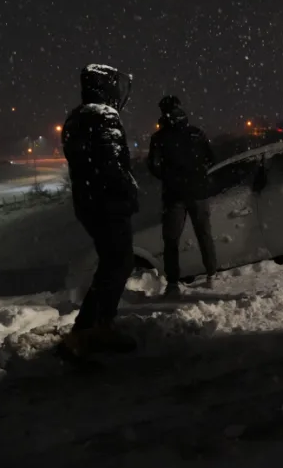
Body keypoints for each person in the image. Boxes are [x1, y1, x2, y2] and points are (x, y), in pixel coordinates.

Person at [59, 64, 140, 359]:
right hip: (108, 204)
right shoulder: (104, 117)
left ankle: (91, 327)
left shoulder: (77, 117)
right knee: (119, 263)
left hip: (90, 203)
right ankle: (92, 330)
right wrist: (128, 191)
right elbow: (112, 164)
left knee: (111, 263)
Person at [147, 95, 218, 298]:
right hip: (198, 192)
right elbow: (211, 158)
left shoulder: (159, 138)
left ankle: (172, 282)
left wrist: (170, 178)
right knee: (204, 234)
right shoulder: (196, 133)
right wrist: (198, 176)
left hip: (174, 195)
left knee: (171, 240)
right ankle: (211, 274)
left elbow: (154, 166)